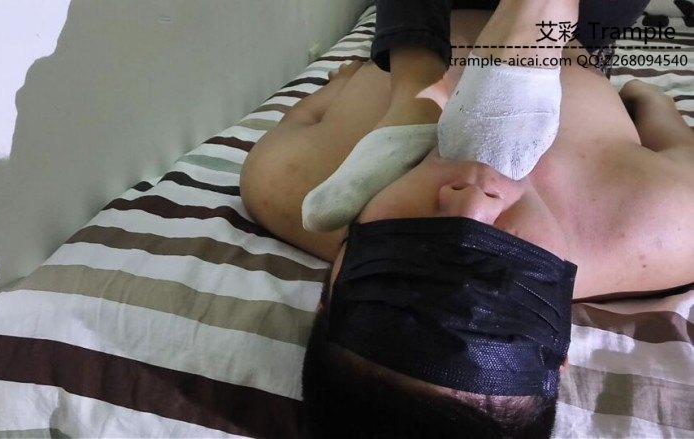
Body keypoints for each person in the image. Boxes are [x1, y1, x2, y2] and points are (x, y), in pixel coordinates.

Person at [240, 0, 694, 437]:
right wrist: (643, 96)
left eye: (411, 254)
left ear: (331, 288)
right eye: (501, 277)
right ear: (561, 351)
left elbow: (314, 105)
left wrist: (348, 83)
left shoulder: (284, 183)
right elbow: (670, 129)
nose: (472, 200)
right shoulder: (663, 229)